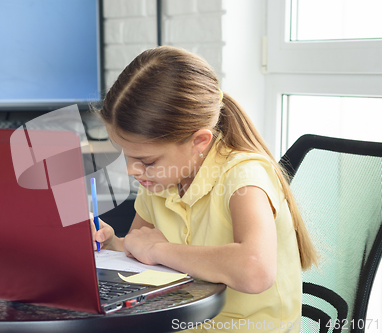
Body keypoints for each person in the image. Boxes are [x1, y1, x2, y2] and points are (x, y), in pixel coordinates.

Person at [91, 45, 317, 332]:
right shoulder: (161, 179)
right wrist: (110, 242)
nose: (131, 170)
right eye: (127, 155)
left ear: (199, 141)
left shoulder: (244, 176)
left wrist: (159, 249)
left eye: (146, 160)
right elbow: (142, 250)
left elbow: (255, 270)